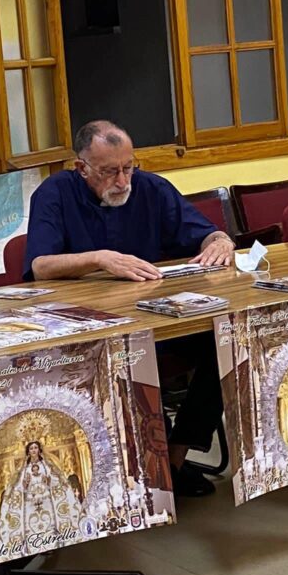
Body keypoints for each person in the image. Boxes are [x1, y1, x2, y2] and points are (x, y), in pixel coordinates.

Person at [23, 120, 235, 496]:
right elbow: (40, 265)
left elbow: (203, 231)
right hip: (86, 329)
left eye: (128, 168)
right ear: (82, 169)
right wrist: (100, 259)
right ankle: (123, 469)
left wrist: (219, 240)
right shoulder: (54, 193)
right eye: (108, 172)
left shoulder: (151, 188)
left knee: (225, 338)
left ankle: (175, 455)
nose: (122, 181)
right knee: (122, 356)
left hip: (155, 319)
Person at [0, 441, 82, 545]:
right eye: (31, 448)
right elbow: (18, 488)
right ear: (28, 451)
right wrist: (25, 485)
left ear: (39, 450)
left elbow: (56, 481)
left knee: (50, 529)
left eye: (35, 447)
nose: (33, 450)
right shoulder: (23, 470)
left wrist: (49, 481)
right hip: (30, 505)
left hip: (46, 502)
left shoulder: (47, 466)